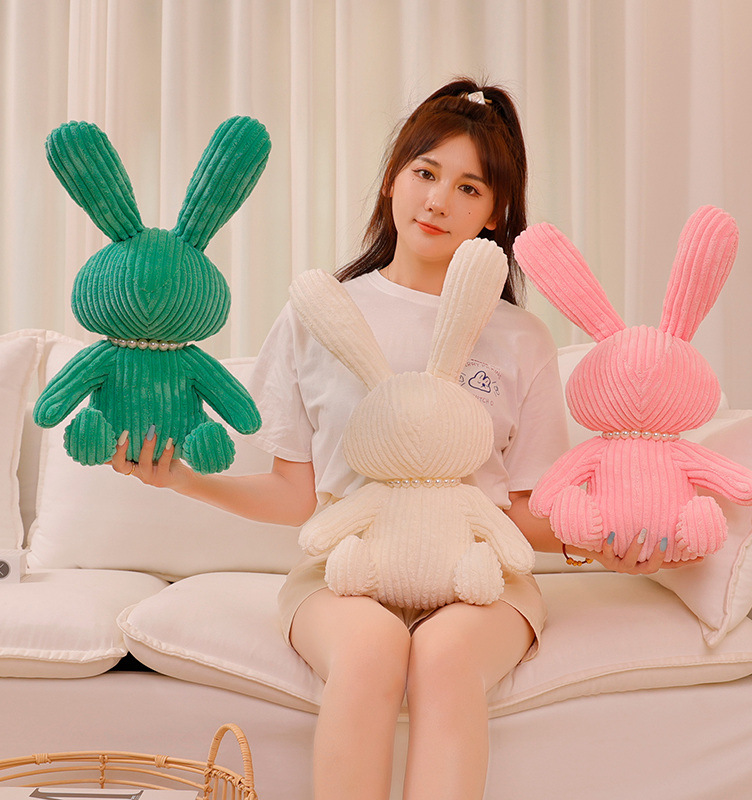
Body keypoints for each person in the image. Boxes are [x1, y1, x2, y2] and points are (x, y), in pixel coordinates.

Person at [112, 78, 690, 800]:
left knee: (445, 656)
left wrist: (601, 542)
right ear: (392, 179)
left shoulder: (520, 337)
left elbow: (518, 507)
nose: (438, 200)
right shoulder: (320, 314)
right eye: (425, 173)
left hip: (481, 578)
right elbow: (297, 496)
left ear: (495, 213)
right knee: (370, 648)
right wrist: (180, 478)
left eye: (469, 188)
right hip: (345, 572)